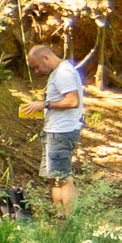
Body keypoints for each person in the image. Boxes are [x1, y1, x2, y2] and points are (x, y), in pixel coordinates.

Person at [25, 42, 86, 216]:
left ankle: (70, 222)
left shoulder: (64, 73)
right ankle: (61, 218)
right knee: (54, 179)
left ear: (46, 57)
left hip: (62, 132)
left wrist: (44, 104)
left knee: (63, 178)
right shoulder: (59, 73)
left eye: (37, 67)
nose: (37, 71)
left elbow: (73, 101)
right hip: (54, 131)